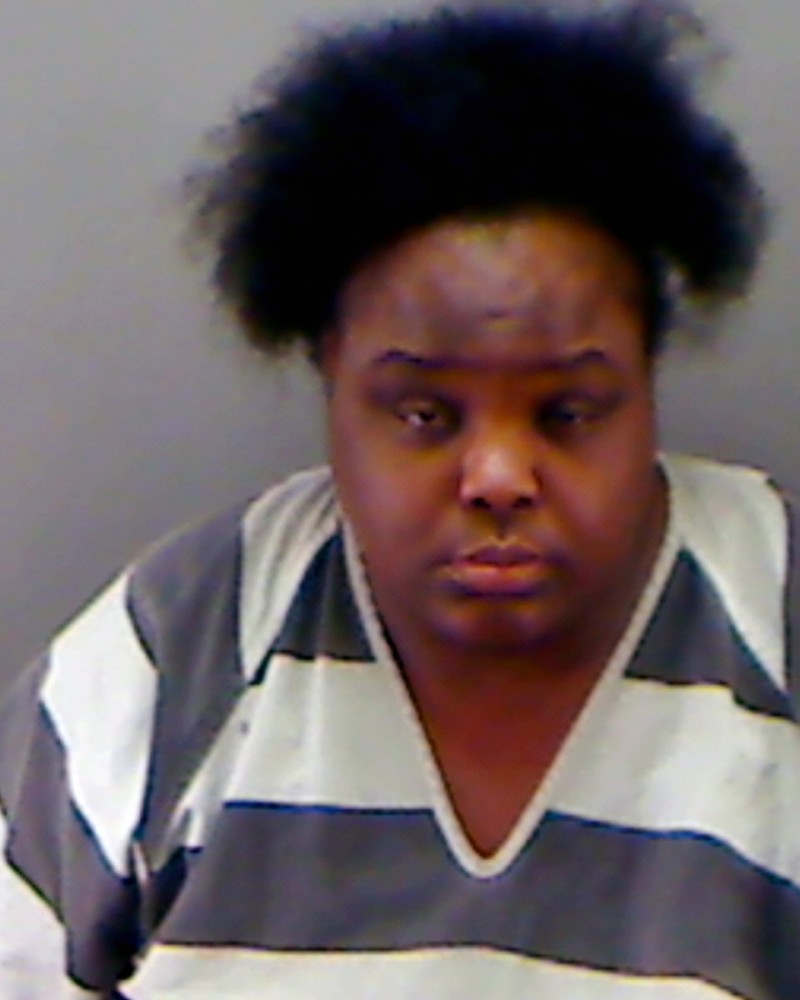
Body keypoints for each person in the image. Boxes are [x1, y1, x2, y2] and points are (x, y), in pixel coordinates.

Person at [1, 1, 797, 997]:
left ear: (646, 379)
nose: (498, 477)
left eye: (566, 411)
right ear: (329, 375)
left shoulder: (775, 615)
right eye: (424, 413)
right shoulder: (177, 652)